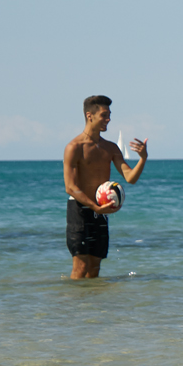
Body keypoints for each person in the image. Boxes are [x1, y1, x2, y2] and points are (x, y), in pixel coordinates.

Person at [61, 95, 148, 279]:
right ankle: (73, 298)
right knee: (81, 266)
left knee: (94, 267)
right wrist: (95, 207)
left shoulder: (111, 148)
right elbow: (70, 187)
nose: (108, 119)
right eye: (104, 115)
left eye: (109, 115)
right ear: (89, 115)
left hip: (101, 210)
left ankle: (92, 299)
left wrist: (143, 159)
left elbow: (130, 178)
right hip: (79, 209)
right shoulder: (74, 147)